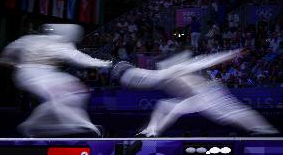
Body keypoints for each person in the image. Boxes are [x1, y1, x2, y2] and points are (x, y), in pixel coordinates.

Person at [111, 50, 278, 137]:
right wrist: (126, 73)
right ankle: (152, 131)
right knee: (165, 105)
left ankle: (266, 130)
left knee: (231, 114)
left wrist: (230, 54)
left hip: (208, 92)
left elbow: (207, 60)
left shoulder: (173, 69)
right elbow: (139, 79)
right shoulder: (157, 77)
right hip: (198, 97)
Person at [0, 24, 112, 137]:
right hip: (31, 74)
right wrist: (104, 63)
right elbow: (78, 58)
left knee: (77, 92)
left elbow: (8, 53)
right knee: (59, 95)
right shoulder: (59, 43)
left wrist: (12, 63)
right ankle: (80, 124)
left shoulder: (28, 39)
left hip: (46, 73)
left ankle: (30, 126)